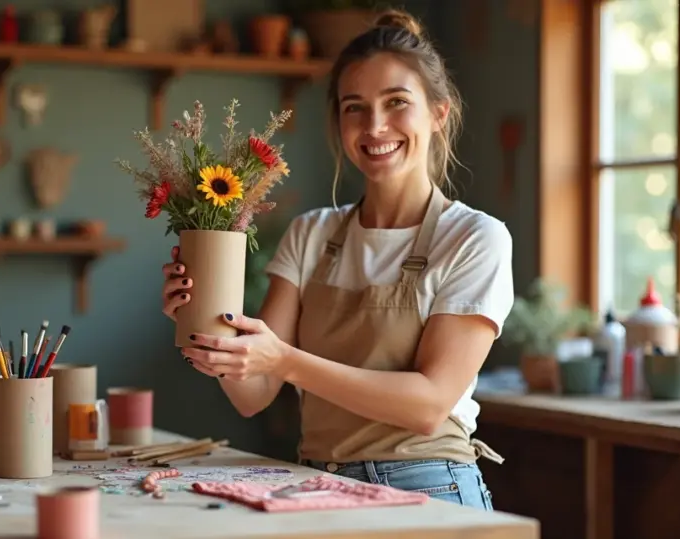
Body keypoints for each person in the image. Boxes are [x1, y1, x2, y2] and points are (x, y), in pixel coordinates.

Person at [160, 9, 513, 511]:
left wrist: (285, 358)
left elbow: (430, 405)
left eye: (397, 103)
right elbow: (253, 393)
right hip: (316, 486)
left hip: (428, 487)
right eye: (355, 107)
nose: (374, 126)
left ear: (439, 113)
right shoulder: (311, 233)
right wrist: (199, 325)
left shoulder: (474, 238)